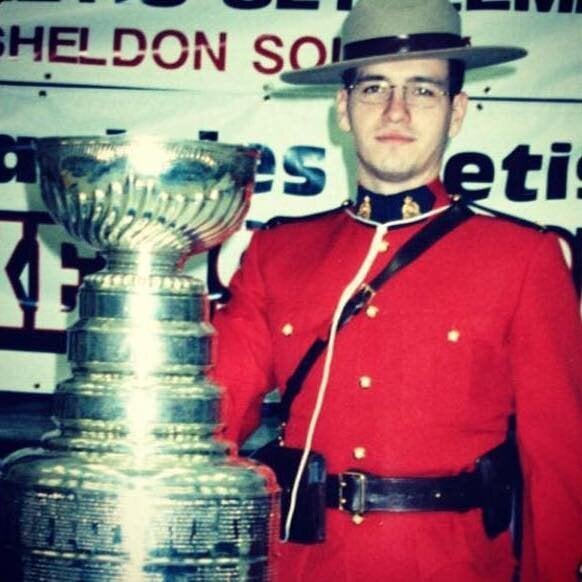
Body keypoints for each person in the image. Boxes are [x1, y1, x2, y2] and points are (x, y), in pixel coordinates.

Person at [211, 0, 582, 580]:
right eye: (373, 88)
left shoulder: (523, 259)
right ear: (343, 107)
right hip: (301, 565)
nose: (396, 110)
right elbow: (213, 417)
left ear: (457, 111)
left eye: (424, 91)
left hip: (450, 566)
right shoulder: (278, 254)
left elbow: (558, 463)